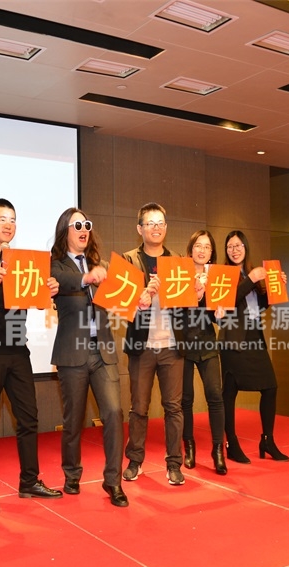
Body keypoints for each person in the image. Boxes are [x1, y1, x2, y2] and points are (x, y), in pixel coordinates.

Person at [0, 198, 62, 515]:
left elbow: (34, 298)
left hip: (17, 347)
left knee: (29, 417)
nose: (8, 225)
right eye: (2, 219)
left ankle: (29, 481)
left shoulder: (23, 260)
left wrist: (48, 290)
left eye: (13, 220)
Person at [50, 208, 128, 507]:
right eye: (77, 225)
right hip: (73, 352)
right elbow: (64, 280)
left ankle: (113, 481)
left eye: (87, 225)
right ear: (65, 231)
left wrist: (140, 299)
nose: (84, 230)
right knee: (73, 420)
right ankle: (72, 473)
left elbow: (122, 299)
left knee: (114, 413)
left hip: (103, 351)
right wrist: (86, 277)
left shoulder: (103, 265)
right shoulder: (55, 265)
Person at [121, 203, 186, 486]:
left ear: (166, 227)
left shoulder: (178, 261)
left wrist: (196, 290)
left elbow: (187, 305)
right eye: (150, 223)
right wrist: (142, 296)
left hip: (172, 345)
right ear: (140, 229)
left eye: (160, 223)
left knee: (174, 408)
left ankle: (174, 464)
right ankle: (135, 461)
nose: (156, 228)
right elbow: (120, 305)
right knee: (139, 407)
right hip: (142, 346)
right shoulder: (128, 260)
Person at [218, 230, 289, 463]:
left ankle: (267, 440)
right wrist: (251, 279)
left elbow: (258, 307)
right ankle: (231, 442)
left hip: (254, 337)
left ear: (246, 247)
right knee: (230, 392)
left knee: (270, 387)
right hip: (232, 338)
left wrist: (276, 288)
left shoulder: (251, 273)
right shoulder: (223, 274)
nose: (234, 250)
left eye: (238, 245)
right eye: (230, 246)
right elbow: (228, 301)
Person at [175, 230, 226, 475]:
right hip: (183, 343)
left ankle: (218, 450)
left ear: (211, 252)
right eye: (198, 245)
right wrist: (192, 295)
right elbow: (172, 309)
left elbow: (220, 320)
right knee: (185, 399)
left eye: (207, 247)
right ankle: (189, 446)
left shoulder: (217, 277)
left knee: (215, 395)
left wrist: (220, 313)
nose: (202, 250)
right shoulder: (179, 273)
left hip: (206, 342)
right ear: (190, 249)